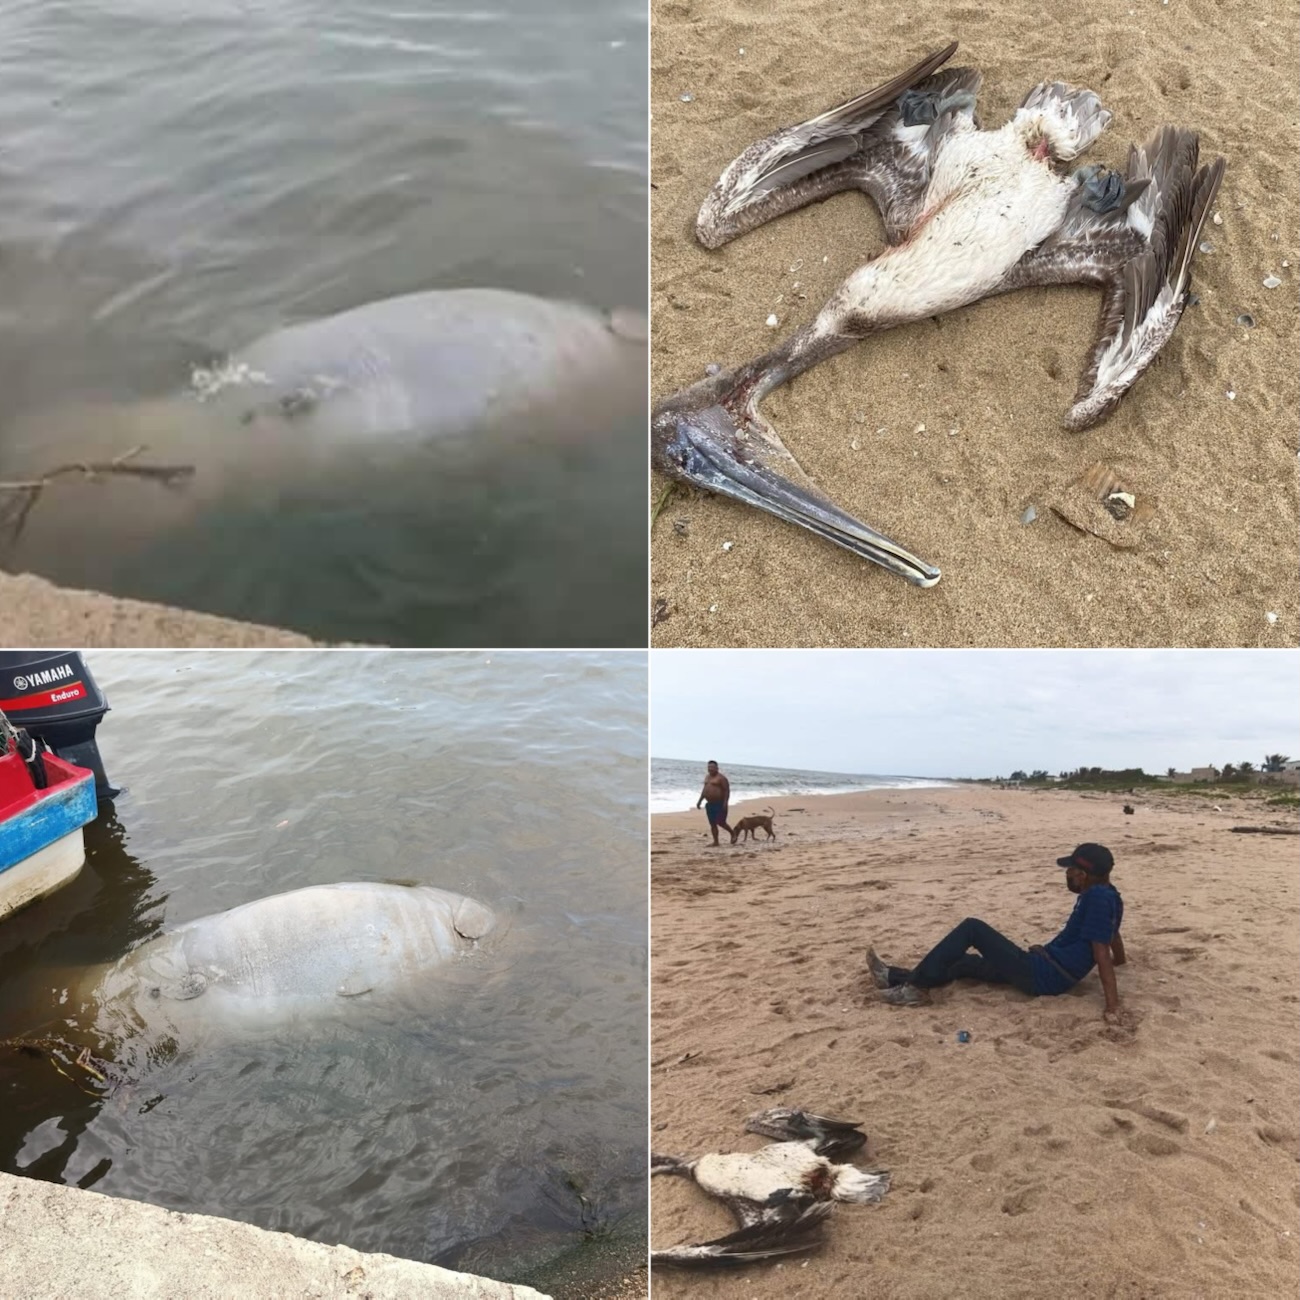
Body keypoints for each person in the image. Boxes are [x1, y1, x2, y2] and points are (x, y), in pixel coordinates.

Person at [866, 843, 1127, 1022]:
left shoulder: (1096, 900)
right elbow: (1111, 933)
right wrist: (1122, 961)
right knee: (963, 963)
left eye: (1070, 870)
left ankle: (916, 989)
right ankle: (891, 977)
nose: (1067, 874)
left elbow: (1100, 950)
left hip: (1043, 976)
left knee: (972, 928)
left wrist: (1112, 1007)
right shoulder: (1109, 895)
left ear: (1082, 875)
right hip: (1045, 965)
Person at [695, 760, 731, 847]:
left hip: (719, 803)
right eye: (709, 767)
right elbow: (704, 790)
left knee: (721, 822)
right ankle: (716, 842)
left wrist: (725, 803)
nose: (710, 769)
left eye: (712, 767)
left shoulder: (722, 778)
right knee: (712, 823)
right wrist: (700, 801)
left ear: (717, 768)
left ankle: (732, 833)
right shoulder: (707, 777)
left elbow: (727, 791)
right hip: (709, 804)